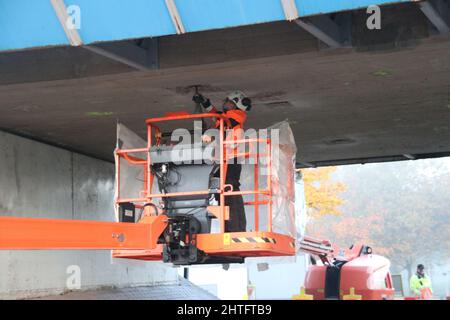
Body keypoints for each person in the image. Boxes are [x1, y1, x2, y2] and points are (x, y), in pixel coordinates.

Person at [192, 91, 252, 232]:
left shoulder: (233, 118)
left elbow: (218, 124)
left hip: (229, 160)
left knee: (227, 191)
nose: (225, 102)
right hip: (227, 159)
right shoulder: (230, 117)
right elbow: (216, 115)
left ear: (234, 104)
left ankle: (233, 229)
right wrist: (204, 102)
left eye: (228, 101)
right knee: (226, 190)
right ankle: (234, 228)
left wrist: (208, 135)